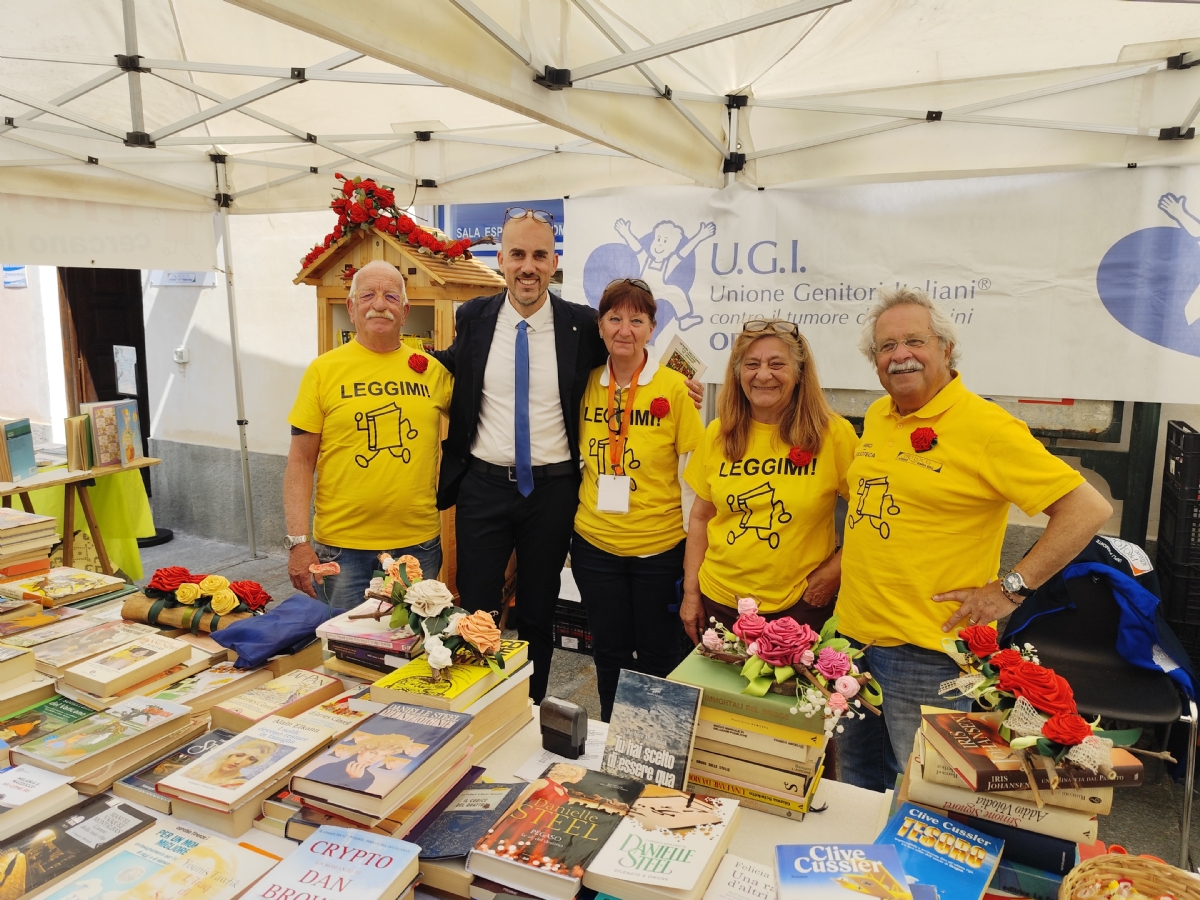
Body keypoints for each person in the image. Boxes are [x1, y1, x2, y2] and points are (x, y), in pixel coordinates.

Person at [835, 287, 1113, 792]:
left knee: (928, 789)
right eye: (886, 346)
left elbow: (1087, 509)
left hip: (926, 649)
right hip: (855, 635)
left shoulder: (986, 427)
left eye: (914, 341)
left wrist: (1010, 589)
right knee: (857, 780)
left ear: (945, 348)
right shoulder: (879, 416)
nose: (900, 355)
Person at [434, 209, 702, 703]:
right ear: (501, 260)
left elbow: (631, 349)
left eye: (539, 254)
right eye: (518, 254)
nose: (528, 266)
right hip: (484, 487)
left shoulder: (581, 325)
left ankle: (529, 710)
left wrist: (678, 381)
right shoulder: (472, 318)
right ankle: (474, 707)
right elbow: (445, 371)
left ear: (554, 262)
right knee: (475, 610)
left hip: (553, 493)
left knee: (538, 611)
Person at [570, 279, 705, 721]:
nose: (624, 329)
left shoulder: (675, 390)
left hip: (659, 550)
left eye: (636, 320)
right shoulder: (586, 382)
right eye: (614, 318)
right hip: (595, 547)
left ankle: (652, 742)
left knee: (656, 657)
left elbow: (692, 480)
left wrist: (691, 560)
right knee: (607, 653)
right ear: (600, 324)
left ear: (652, 327)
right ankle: (612, 734)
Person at [284, 260, 453, 610]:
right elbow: (300, 461)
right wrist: (298, 542)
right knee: (345, 654)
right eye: (368, 295)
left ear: (405, 311)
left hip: (417, 544)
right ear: (350, 307)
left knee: (414, 650)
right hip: (342, 549)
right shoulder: (322, 371)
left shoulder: (434, 372)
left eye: (391, 296)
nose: (380, 304)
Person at [680, 320, 857, 639]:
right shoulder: (718, 434)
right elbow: (701, 516)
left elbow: (868, 515)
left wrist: (834, 572)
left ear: (799, 373)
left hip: (800, 607)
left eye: (777, 364)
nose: (763, 375)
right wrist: (691, 593)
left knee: (793, 691)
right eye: (752, 364)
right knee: (720, 691)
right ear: (738, 373)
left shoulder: (834, 434)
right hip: (719, 602)